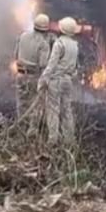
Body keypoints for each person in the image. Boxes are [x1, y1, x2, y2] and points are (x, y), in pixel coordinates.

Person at [38, 16, 79, 144]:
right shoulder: (75, 45)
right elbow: (75, 68)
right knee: (67, 110)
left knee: (53, 110)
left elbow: (51, 64)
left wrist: (43, 80)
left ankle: (53, 140)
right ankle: (69, 139)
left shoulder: (59, 43)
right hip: (68, 81)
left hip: (56, 81)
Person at [13, 14, 51, 124]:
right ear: (46, 29)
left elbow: (15, 55)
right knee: (35, 106)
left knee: (21, 104)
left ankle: (21, 127)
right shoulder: (44, 44)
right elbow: (43, 64)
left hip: (20, 75)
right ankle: (32, 130)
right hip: (33, 78)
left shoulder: (23, 36)